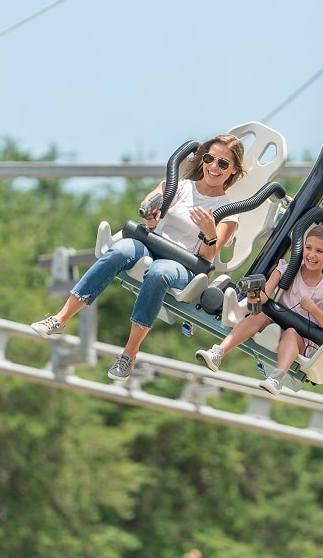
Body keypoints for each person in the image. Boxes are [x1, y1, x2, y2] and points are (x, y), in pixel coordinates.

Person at [30, 133, 245, 381]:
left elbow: (208, 256)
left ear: (233, 171)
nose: (214, 167)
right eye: (210, 158)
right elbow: (150, 201)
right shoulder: (180, 185)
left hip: (182, 264)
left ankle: (129, 353)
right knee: (120, 250)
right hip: (151, 244)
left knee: (158, 273)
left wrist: (209, 233)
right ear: (203, 159)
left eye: (223, 164)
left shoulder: (228, 213)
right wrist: (150, 214)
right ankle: (60, 319)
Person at [194, 223, 323, 394]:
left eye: (319, 251)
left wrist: (314, 310)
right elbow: (264, 296)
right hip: (276, 322)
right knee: (257, 316)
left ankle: (277, 377)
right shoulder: (286, 269)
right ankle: (218, 353)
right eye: (308, 247)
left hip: (298, 337)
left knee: (291, 332)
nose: (311, 254)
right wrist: (254, 296)